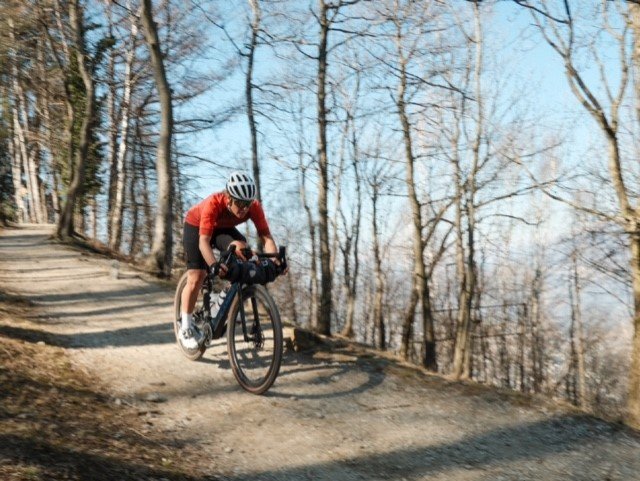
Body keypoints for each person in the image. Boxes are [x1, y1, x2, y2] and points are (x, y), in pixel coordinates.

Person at [179, 171, 283, 349]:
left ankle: (220, 299)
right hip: (196, 227)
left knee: (242, 251)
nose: (244, 209)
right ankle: (186, 327)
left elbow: (266, 237)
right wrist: (213, 265)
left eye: (248, 204)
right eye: (240, 203)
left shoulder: (253, 207)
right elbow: (204, 242)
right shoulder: (214, 203)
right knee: (197, 276)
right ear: (228, 198)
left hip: (222, 229)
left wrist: (275, 260)